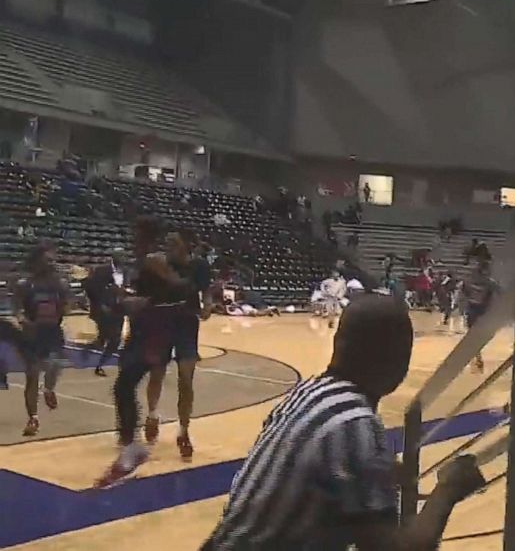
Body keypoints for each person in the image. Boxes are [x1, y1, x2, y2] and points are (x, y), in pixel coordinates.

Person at [201, 295, 485, 550]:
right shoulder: (354, 423)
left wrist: (372, 480)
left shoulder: (309, 392)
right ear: (399, 360)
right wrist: (448, 490)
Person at [95, 218, 196, 487]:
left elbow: (180, 288)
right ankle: (130, 443)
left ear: (145, 235)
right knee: (123, 386)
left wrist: (145, 303)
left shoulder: (153, 260)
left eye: (136, 233)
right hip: (144, 329)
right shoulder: (146, 262)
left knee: (125, 384)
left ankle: (132, 445)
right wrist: (127, 298)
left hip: (153, 331)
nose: (133, 238)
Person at [144, 232, 213, 459]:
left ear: (186, 245)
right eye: (167, 242)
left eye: (174, 243)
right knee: (157, 372)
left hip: (186, 323)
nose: (168, 246)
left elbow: (207, 290)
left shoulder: (199, 266)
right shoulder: (160, 263)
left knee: (186, 378)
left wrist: (208, 304)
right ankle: (152, 414)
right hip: (162, 321)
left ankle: (184, 430)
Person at [14, 242, 72, 436]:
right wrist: (23, 319)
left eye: (53, 258)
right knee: (31, 376)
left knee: (55, 365)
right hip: (32, 334)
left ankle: (49, 389)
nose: (52, 261)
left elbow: (66, 306)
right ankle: (33, 418)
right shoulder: (25, 284)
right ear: (38, 259)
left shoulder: (60, 284)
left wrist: (63, 311)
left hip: (53, 332)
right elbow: (17, 308)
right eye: (48, 258)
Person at [84, 248, 128, 377]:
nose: (124, 258)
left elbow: (125, 288)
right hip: (104, 310)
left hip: (119, 308)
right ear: (114, 257)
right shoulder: (102, 270)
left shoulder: (126, 271)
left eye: (124, 255)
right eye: (121, 255)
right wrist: (100, 304)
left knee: (113, 340)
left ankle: (98, 363)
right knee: (109, 338)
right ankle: (98, 361)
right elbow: (91, 288)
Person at [462, 262, 497, 372]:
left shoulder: (475, 282)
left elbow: (465, 292)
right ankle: (477, 357)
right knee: (476, 336)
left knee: (474, 336)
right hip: (479, 311)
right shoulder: (490, 282)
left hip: (478, 310)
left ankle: (477, 357)